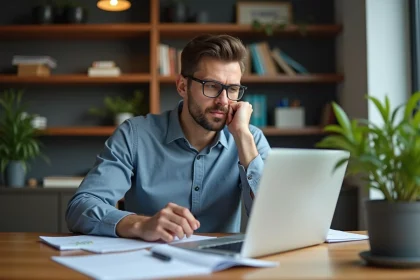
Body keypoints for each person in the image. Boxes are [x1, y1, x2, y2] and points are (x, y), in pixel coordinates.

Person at [66, 34, 271, 243]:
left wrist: (242, 137)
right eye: (211, 86)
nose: (223, 101)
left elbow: (274, 220)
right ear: (182, 86)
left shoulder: (250, 138)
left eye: (233, 89)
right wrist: (140, 224)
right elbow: (81, 207)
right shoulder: (135, 135)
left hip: (222, 268)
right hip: (149, 263)